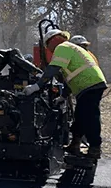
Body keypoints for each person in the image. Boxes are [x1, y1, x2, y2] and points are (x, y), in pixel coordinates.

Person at [24, 28, 106, 158]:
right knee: (81, 115)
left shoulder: (62, 47)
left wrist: (37, 86)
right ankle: (75, 144)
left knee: (90, 117)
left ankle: (95, 148)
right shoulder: (70, 48)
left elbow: (53, 69)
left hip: (90, 84)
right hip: (89, 84)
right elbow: (69, 77)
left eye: (48, 46)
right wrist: (63, 96)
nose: (49, 50)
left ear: (53, 40)